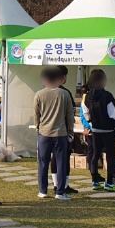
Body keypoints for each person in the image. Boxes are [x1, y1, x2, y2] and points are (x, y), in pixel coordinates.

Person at [34, 66, 75, 200]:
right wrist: (70, 132)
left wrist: (38, 128)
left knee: (43, 163)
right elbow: (70, 115)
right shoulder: (64, 94)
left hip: (44, 133)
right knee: (61, 163)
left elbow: (36, 115)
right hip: (60, 133)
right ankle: (60, 192)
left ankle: (42, 190)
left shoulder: (39, 94)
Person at [82, 69, 115, 192]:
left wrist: (92, 123)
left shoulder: (87, 97)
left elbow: (86, 114)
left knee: (95, 155)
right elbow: (113, 114)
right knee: (110, 157)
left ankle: (94, 181)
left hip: (95, 130)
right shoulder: (107, 96)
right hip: (108, 131)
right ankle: (109, 182)